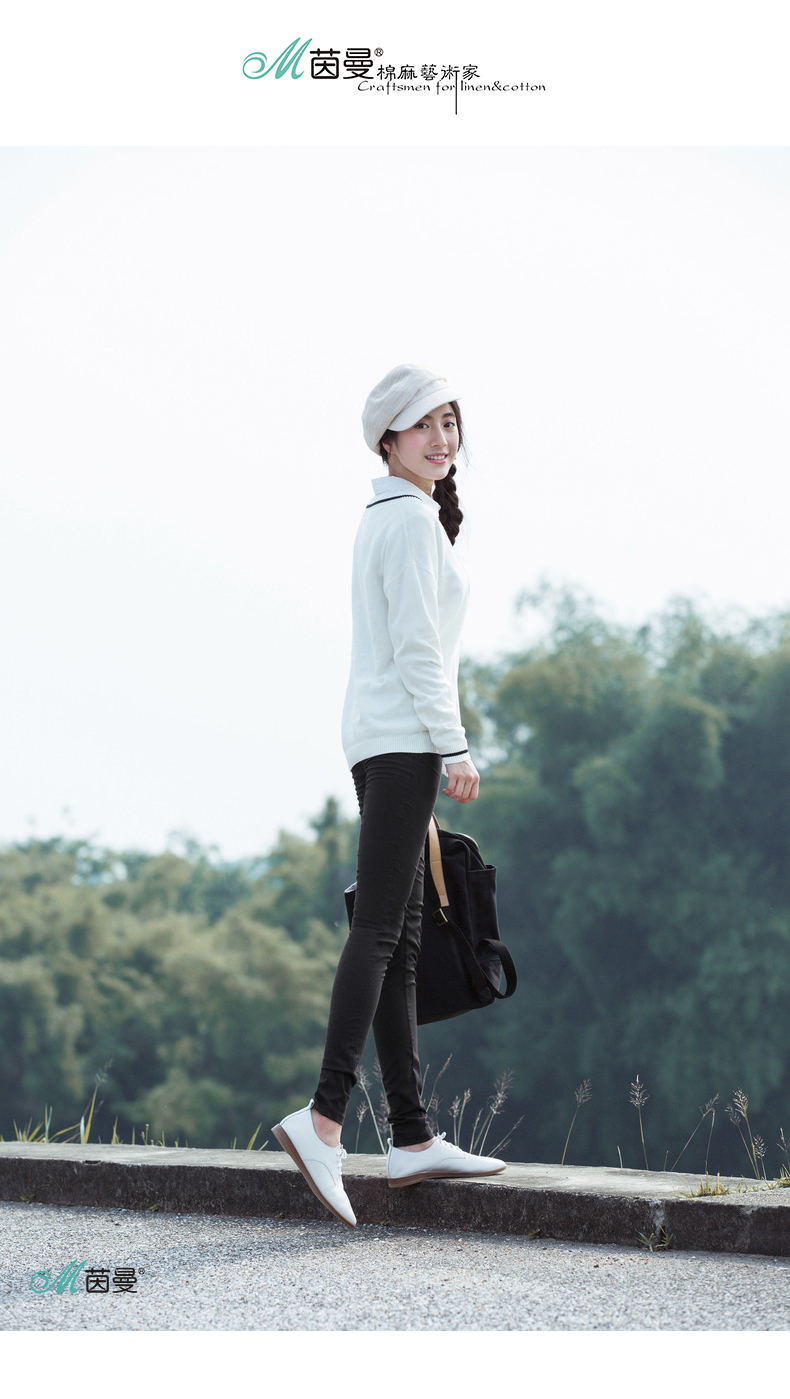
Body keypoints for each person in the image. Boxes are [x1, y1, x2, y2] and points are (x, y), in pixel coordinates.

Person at [272, 364, 506, 1226]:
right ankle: (323, 1120)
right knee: (379, 929)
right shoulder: (407, 521)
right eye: (423, 425)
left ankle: (410, 1136)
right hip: (405, 743)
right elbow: (417, 646)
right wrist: (455, 745)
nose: (442, 439)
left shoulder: (392, 514)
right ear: (388, 439)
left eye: (449, 422)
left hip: (386, 740)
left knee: (401, 938)